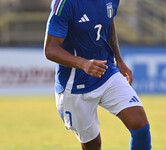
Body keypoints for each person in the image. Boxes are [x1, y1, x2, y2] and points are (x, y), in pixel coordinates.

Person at [44, 0, 152, 149]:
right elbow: (50, 49)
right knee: (93, 145)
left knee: (140, 126)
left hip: (106, 72)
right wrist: (83, 64)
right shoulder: (65, 3)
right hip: (74, 86)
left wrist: (118, 59)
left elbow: (108, 19)